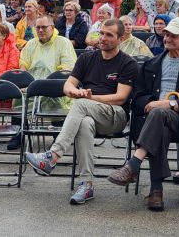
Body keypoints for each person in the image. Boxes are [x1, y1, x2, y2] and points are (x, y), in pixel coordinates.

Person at [26, 19, 137, 205]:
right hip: (89, 113)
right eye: (101, 33)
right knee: (84, 123)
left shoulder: (128, 63)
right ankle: (87, 184)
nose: (103, 38)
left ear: (121, 38)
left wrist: (88, 98)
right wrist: (75, 92)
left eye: (109, 35)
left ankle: (52, 156)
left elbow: (120, 97)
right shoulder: (86, 58)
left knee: (81, 104)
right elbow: (68, 85)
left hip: (116, 115)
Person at [106, 18, 179, 210]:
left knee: (159, 114)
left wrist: (167, 103)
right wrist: (150, 104)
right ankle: (155, 193)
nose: (168, 38)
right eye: (167, 34)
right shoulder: (151, 64)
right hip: (153, 122)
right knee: (158, 122)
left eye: (174, 35)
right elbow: (136, 98)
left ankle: (135, 166)